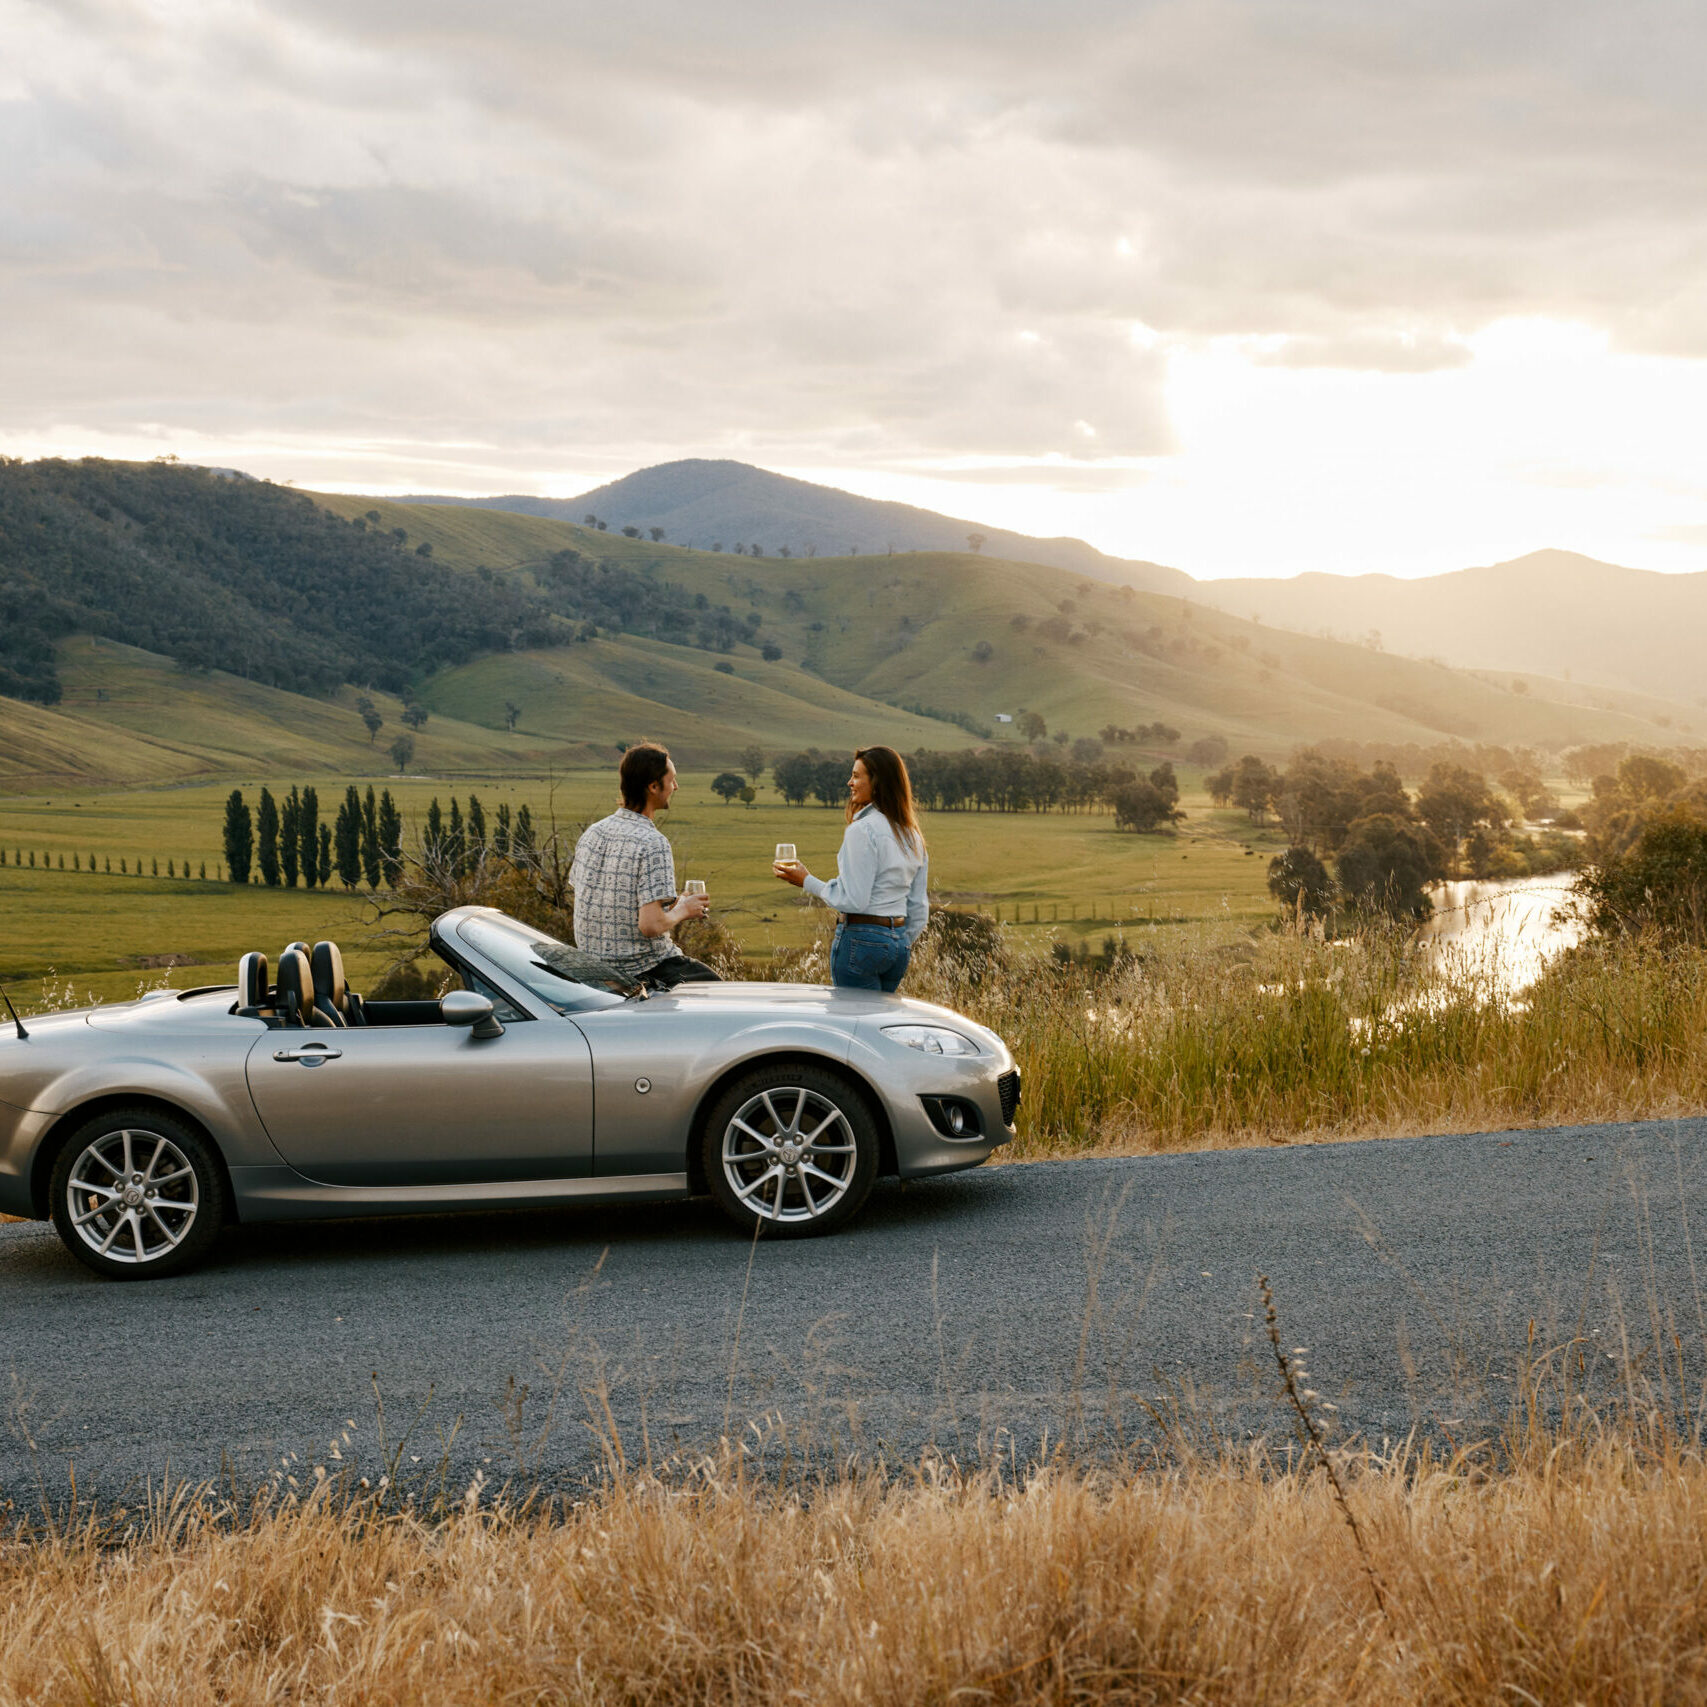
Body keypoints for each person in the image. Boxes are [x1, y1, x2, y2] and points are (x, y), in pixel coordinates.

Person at [774, 746, 927, 991]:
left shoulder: (862, 830)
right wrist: (900, 941)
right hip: (898, 944)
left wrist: (806, 880)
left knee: (853, 1024)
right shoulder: (912, 835)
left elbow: (854, 900)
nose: (850, 783)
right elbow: (918, 907)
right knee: (879, 1021)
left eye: (856, 776)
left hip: (861, 939)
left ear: (877, 782)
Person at [569, 742, 718, 988]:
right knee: (722, 995)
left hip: (592, 967)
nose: (676, 787)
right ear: (653, 786)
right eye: (672, 781)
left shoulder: (593, 833)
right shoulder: (652, 843)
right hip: (643, 968)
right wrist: (684, 910)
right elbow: (650, 926)